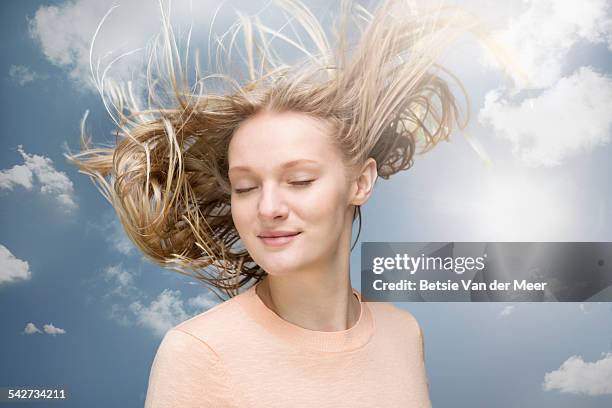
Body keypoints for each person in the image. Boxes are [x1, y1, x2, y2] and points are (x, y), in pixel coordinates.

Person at [65, 0, 507, 406]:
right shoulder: (200, 353)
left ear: (361, 182)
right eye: (245, 186)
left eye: (299, 180)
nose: (268, 207)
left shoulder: (402, 333)